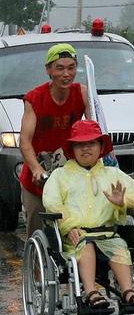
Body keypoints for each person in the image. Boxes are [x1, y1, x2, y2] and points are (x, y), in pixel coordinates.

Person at [42, 119, 134, 310]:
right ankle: (90, 292)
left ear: (100, 147)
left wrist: (123, 201)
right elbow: (52, 203)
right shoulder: (60, 175)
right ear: (72, 149)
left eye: (91, 143)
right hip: (76, 236)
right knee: (87, 244)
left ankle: (128, 292)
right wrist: (69, 227)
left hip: (107, 234)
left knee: (120, 246)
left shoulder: (112, 174)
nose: (85, 149)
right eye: (80, 144)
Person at [19, 43, 90, 238]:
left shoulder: (82, 93)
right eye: (60, 68)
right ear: (49, 70)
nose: (66, 74)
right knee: (38, 232)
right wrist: (35, 168)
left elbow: (95, 129)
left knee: (77, 227)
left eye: (71, 67)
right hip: (38, 178)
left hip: (69, 173)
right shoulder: (34, 98)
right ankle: (35, 266)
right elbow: (25, 141)